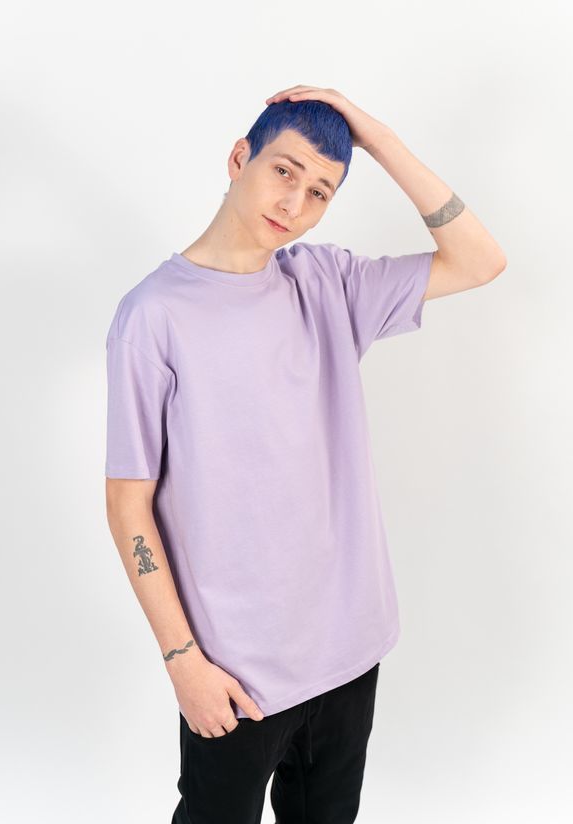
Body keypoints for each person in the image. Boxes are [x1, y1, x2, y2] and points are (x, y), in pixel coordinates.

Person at [104, 86, 507, 823]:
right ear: (239, 159)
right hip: (235, 670)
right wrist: (182, 661)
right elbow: (128, 503)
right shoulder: (153, 316)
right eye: (283, 171)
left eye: (319, 191)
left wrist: (376, 137)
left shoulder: (327, 284)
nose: (294, 202)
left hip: (349, 649)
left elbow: (480, 260)